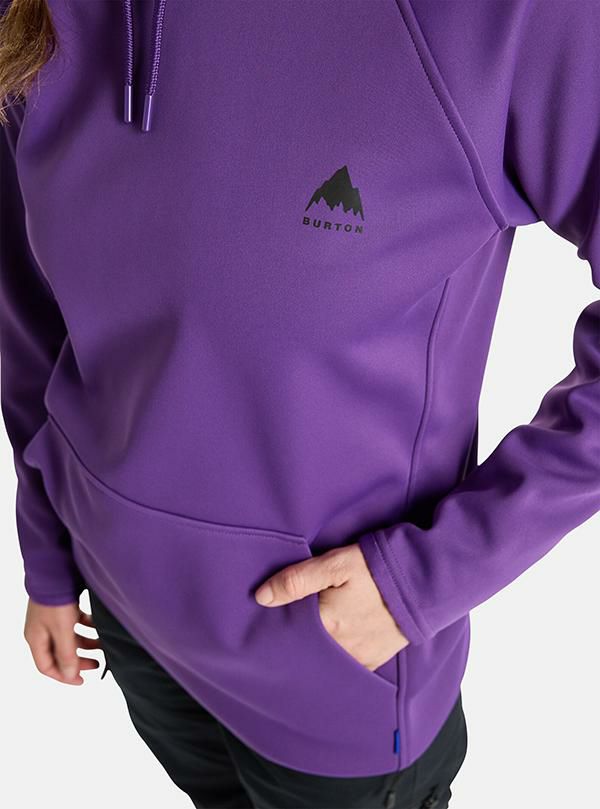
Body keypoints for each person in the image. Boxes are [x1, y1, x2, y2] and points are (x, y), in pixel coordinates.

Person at [0, 1, 598, 807]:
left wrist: (427, 577)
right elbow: (27, 298)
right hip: (127, 615)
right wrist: (47, 549)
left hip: (334, 678)